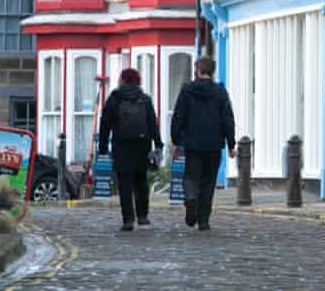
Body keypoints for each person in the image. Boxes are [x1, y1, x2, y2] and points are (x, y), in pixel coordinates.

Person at [171, 56, 236, 231]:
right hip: (214, 144)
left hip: (192, 143)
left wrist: (176, 141)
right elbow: (227, 119)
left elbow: (179, 116)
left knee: (191, 177)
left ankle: (191, 198)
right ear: (212, 71)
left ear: (198, 70)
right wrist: (231, 143)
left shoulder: (187, 90)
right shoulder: (220, 92)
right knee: (208, 181)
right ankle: (204, 220)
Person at [99, 68, 163, 231]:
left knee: (125, 182)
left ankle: (128, 219)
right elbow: (152, 124)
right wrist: (158, 143)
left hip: (121, 145)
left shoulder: (114, 98)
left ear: (122, 80)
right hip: (142, 145)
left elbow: (105, 124)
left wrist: (103, 147)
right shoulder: (145, 99)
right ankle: (143, 216)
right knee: (141, 180)